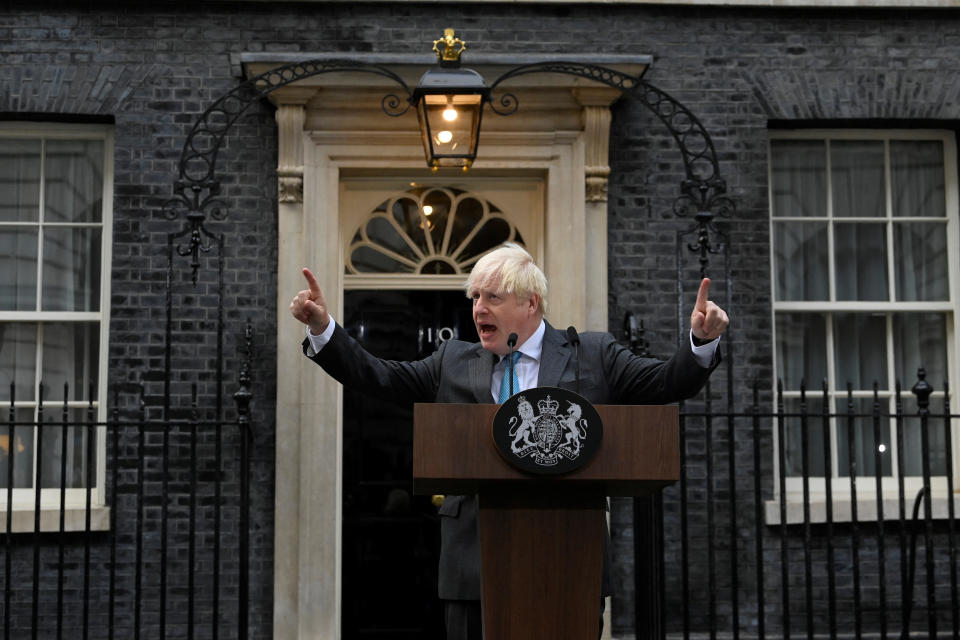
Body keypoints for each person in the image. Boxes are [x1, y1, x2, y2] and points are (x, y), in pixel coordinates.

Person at [290, 242, 729, 640]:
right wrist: (326, 329)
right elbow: (380, 377)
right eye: (475, 298)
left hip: (568, 558)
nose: (479, 308)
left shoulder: (593, 354)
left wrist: (701, 344)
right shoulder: (453, 361)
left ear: (531, 302)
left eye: (492, 297)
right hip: (471, 564)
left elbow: (664, 382)